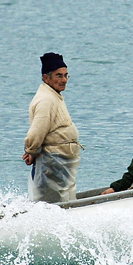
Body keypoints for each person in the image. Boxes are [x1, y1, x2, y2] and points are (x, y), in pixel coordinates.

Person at [22, 52, 81, 203]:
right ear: (46, 77)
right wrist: (31, 151)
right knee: (50, 204)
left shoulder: (54, 95)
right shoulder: (46, 100)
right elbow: (36, 132)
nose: (64, 80)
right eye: (58, 76)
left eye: (66, 75)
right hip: (52, 163)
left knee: (63, 200)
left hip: (60, 162)